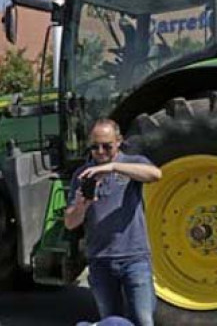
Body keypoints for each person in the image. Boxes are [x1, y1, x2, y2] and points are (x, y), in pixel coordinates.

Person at [64, 119, 161, 326]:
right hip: (100, 261)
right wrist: (82, 205)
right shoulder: (82, 175)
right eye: (94, 146)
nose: (100, 152)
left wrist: (114, 167)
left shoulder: (131, 163)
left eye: (106, 146)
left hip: (134, 258)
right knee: (109, 321)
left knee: (144, 320)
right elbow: (70, 223)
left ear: (119, 141)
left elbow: (155, 174)